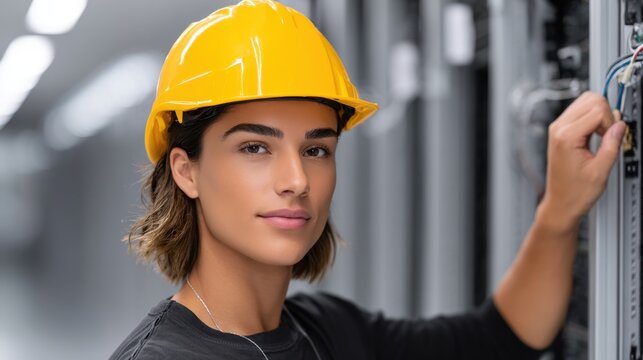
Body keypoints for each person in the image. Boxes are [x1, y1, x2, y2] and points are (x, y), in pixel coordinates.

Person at [109, 1, 626, 359]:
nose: (296, 180)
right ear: (187, 170)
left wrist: (561, 212)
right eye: (255, 147)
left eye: (315, 149)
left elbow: (499, 339)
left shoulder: (324, 332)